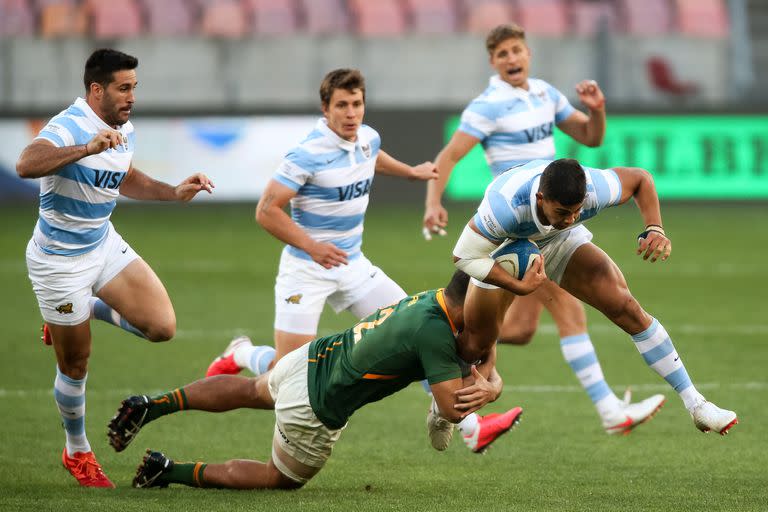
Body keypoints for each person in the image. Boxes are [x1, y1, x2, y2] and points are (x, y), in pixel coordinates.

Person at [204, 68, 519, 453]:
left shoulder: (367, 137)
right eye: (342, 105)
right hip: (306, 270)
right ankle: (240, 352)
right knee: (286, 375)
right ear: (325, 108)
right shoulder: (306, 154)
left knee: (426, 331)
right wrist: (313, 246)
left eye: (357, 104)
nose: (351, 113)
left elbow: (373, 157)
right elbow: (267, 210)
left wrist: (410, 173)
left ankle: (472, 426)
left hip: (354, 265)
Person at [422, 23, 663, 446]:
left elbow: (590, 136)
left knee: (522, 329)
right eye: (502, 54)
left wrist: (598, 109)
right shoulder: (487, 106)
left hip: (558, 218)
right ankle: (608, 411)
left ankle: (443, 357)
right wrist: (433, 201)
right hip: (517, 228)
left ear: (528, 53)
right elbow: (450, 154)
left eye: (517, 50)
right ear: (492, 62)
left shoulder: (546, 95)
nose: (512, 59)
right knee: (563, 314)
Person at [107, 271, 521, 490]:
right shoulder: (435, 334)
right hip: (319, 403)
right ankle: (169, 471)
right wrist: (495, 388)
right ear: (471, 302)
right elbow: (450, 407)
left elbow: (478, 346)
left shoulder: (431, 301)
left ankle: (154, 404)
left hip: (314, 356)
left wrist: (488, 370)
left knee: (253, 388)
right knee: (278, 479)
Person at [16, 48, 214, 488]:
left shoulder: (123, 126)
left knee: (162, 326)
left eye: (134, 88)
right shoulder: (70, 125)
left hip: (102, 243)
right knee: (76, 364)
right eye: (124, 88)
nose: (131, 97)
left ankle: (83, 310)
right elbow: (26, 164)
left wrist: (172, 192)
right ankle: (77, 449)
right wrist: (85, 147)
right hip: (59, 264)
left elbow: (122, 176)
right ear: (96, 89)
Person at [451, 158, 738, 436]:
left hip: (556, 241)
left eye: (576, 211)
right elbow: (462, 255)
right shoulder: (505, 208)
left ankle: (697, 404)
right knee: (476, 345)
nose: (572, 218)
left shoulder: (593, 190)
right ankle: (446, 413)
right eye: (563, 211)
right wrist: (521, 286)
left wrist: (654, 228)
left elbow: (640, 179)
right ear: (540, 198)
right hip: (501, 250)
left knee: (625, 306)